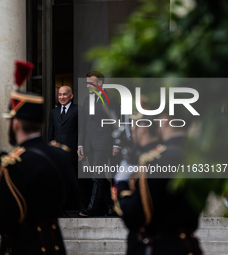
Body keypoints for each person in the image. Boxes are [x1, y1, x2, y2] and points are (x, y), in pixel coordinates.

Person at [0, 89, 71, 255]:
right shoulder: (61, 154)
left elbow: (2, 222)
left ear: (16, 123)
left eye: (9, 120)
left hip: (27, 247)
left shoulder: (14, 164)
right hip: (54, 246)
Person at [112, 113, 203, 255]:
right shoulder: (197, 156)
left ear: (166, 120)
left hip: (162, 247)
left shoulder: (156, 160)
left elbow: (134, 218)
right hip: (189, 245)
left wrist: (121, 184)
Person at [77, 71, 121, 217]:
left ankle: (91, 208)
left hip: (105, 143)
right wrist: (80, 145)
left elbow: (117, 122)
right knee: (99, 176)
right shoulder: (86, 100)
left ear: (100, 83)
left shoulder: (111, 98)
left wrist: (117, 144)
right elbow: (84, 125)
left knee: (97, 176)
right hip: (90, 144)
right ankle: (111, 207)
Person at [48, 86, 84, 214]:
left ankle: (82, 208)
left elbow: (82, 131)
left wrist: (81, 147)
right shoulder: (53, 112)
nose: (62, 97)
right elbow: (50, 134)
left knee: (75, 182)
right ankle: (60, 210)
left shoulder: (78, 109)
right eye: (60, 95)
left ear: (71, 96)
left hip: (73, 151)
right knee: (59, 182)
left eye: (65, 94)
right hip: (57, 153)